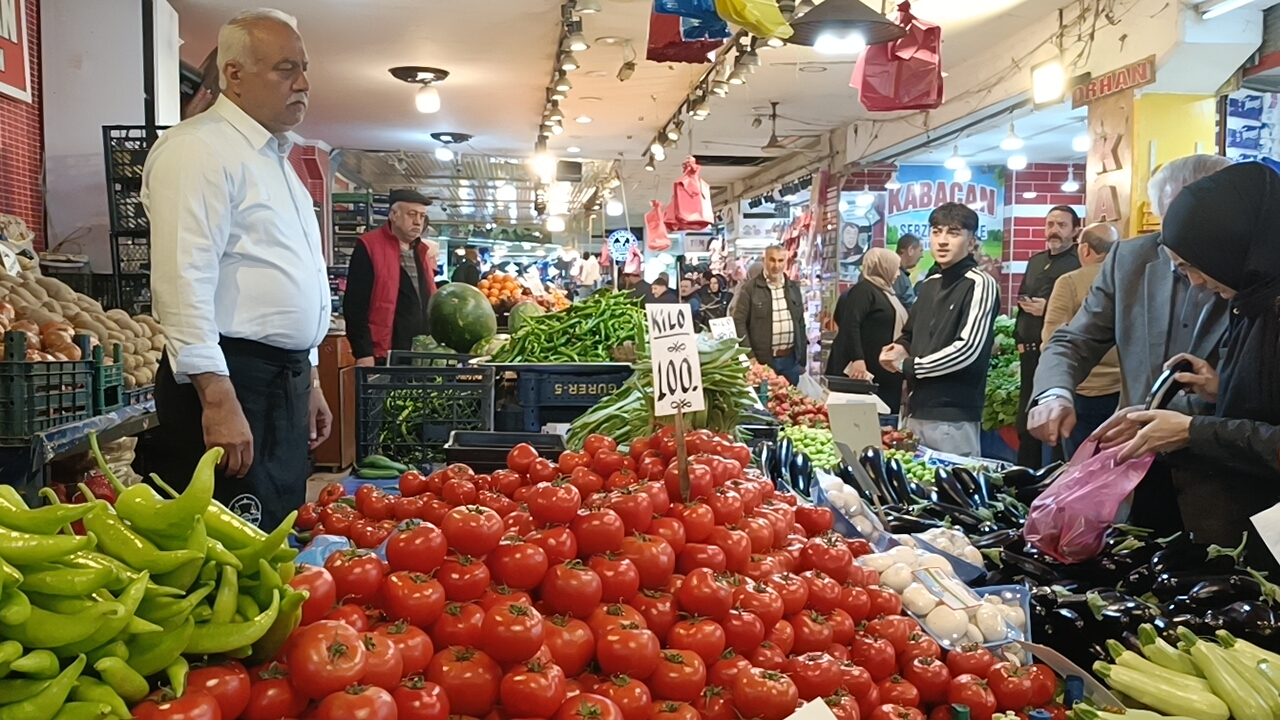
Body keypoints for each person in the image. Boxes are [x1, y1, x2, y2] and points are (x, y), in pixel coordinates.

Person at [142, 8, 331, 529]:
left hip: (280, 382)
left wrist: (310, 378)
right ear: (235, 74)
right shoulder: (197, 150)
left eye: (304, 69)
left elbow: (291, 277)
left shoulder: (275, 161)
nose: (303, 84)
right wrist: (217, 397)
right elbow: (183, 279)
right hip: (232, 379)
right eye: (286, 69)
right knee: (229, 543)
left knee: (275, 530)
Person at [1093, 162, 1280, 571]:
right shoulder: (1253, 303)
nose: (1195, 282)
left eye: (1195, 265)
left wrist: (1192, 430)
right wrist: (1221, 389)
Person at [879, 203, 999, 457]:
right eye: (936, 232)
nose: (942, 241)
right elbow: (911, 333)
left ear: (971, 242)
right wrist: (898, 348)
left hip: (953, 416)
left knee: (954, 481)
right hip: (915, 409)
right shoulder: (929, 284)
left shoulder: (980, 284)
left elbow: (967, 349)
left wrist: (909, 365)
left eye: (953, 233)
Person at [1040, 222, 1121, 457]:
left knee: (1080, 466)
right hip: (1124, 392)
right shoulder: (1132, 280)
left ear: (1085, 249)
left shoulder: (1070, 282)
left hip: (1083, 390)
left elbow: (1053, 338)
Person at [1014, 206, 1083, 466]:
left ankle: (1055, 478)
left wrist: (1048, 309)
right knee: (1026, 421)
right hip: (1028, 353)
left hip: (1056, 354)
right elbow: (1022, 294)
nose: (1054, 230)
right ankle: (1024, 479)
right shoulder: (1035, 261)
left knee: (1055, 423)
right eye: (1050, 224)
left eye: (1062, 225)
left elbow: (1083, 310)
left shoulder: (1077, 263)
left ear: (1075, 231)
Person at [344, 189, 438, 367]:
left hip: (421, 353)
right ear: (394, 215)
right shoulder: (369, 246)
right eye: (412, 214)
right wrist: (363, 352)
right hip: (384, 354)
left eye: (422, 216)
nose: (418, 221)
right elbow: (355, 305)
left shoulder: (421, 251)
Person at [828, 248, 908, 414]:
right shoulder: (864, 290)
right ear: (883, 267)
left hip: (883, 372)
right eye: (895, 268)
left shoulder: (887, 293)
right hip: (864, 372)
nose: (898, 274)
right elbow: (851, 324)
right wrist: (858, 358)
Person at [733, 245, 805, 384]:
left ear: (786, 262)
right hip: (763, 362)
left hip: (790, 361)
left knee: (791, 396)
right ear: (764, 261)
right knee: (764, 397)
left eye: (780, 260)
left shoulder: (793, 288)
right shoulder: (750, 289)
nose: (776, 265)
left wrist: (801, 359)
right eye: (772, 260)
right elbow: (739, 322)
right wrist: (750, 356)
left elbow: (800, 323)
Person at [892, 234, 924, 308]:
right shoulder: (896, 275)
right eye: (920, 251)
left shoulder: (898, 273)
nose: (922, 255)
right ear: (910, 250)